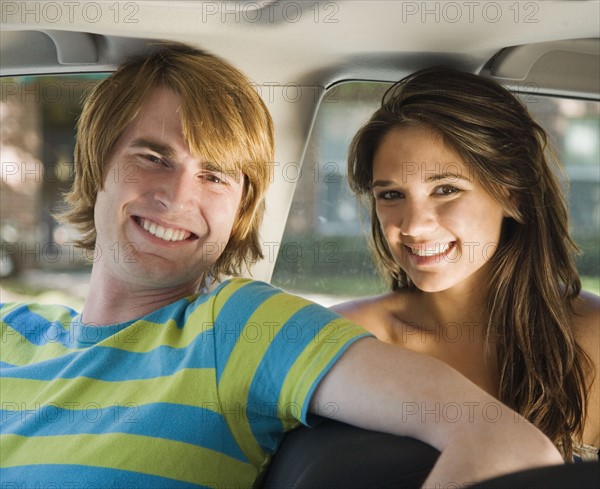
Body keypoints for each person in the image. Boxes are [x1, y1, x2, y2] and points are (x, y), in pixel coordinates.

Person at [0, 46, 563, 489]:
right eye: (153, 158)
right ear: (96, 164)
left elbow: (505, 440)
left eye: (216, 175)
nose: (175, 197)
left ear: (241, 209)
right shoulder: (12, 333)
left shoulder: (243, 326)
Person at [333, 67, 600, 463]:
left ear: (514, 195)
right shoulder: (348, 338)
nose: (413, 226)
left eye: (445, 189)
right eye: (391, 195)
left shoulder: (590, 335)